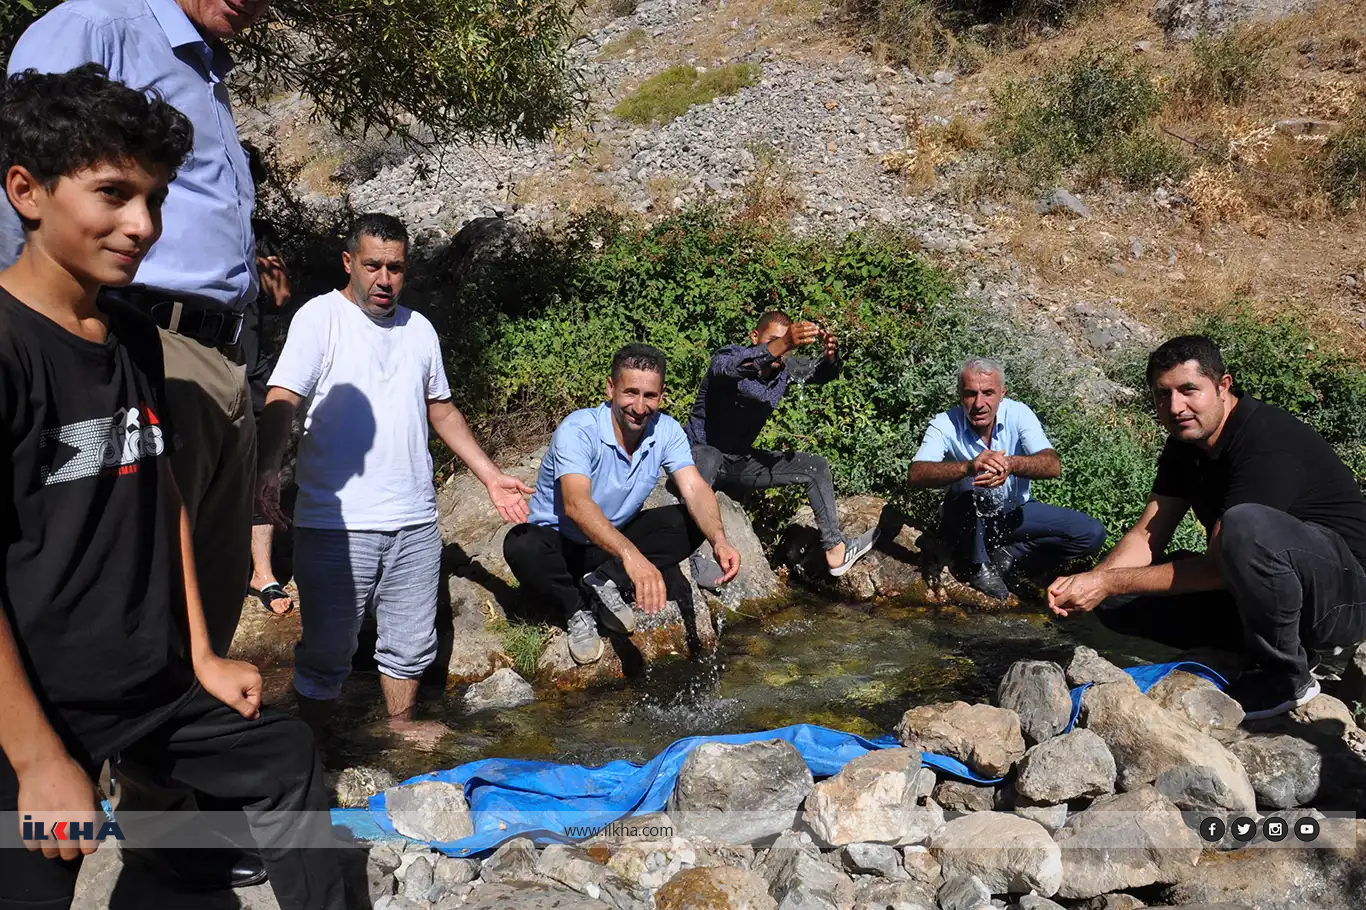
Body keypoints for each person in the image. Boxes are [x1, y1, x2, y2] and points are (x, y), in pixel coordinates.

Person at [0, 65, 343, 910]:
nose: (140, 225)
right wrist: (39, 760)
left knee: (287, 760)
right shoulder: (9, 353)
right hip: (43, 711)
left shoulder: (131, 338)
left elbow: (166, 502)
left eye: (153, 199)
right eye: (113, 193)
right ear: (26, 192)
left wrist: (200, 656)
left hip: (155, 689)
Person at [256, 213, 532, 749]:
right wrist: (268, 467)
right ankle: (310, 750)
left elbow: (442, 410)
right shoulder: (321, 318)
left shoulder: (419, 329)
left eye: (396, 268)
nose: (384, 279)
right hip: (337, 525)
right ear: (349, 263)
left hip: (414, 523)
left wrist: (492, 476)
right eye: (373, 266)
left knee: (408, 644)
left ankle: (399, 731)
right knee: (328, 649)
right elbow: (284, 395)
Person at [1048, 336, 1366, 719]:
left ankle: (1287, 674)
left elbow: (1219, 567)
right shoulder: (1185, 444)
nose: (1175, 407)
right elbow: (1149, 530)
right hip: (1267, 588)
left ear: (1222, 386)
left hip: (1343, 597)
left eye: (1188, 390)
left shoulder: (1266, 440)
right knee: (1119, 597)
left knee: (1243, 525)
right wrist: (1092, 582)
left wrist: (1108, 581)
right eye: (1163, 395)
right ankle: (1246, 651)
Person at [504, 343, 743, 665]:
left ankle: (603, 579)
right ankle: (576, 608)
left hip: (610, 542)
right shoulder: (579, 430)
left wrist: (720, 540)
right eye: (630, 393)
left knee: (690, 522)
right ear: (610, 388)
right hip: (561, 544)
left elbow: (695, 489)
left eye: (650, 395)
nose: (640, 406)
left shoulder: (667, 431)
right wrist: (631, 555)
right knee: (521, 544)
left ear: (662, 395)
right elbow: (576, 504)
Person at [684, 310, 877, 585]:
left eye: (786, 343)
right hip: (698, 456)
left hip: (738, 463)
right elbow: (723, 369)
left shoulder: (783, 370)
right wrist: (783, 344)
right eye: (774, 340)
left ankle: (835, 550)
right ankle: (692, 557)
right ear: (755, 337)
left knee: (816, 467)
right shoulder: (731, 356)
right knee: (711, 458)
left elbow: (818, 374)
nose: (780, 350)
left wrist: (831, 357)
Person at [909, 357, 1105, 598]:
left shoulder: (1019, 413)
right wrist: (968, 467)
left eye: (988, 393)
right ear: (960, 395)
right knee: (966, 489)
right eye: (970, 394)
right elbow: (916, 473)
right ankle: (976, 565)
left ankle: (1011, 554)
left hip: (1013, 515)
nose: (979, 403)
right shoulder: (944, 423)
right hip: (964, 522)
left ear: (1002, 394)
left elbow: (1052, 465)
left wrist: (1011, 464)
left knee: (1091, 533)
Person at [244, 220, 295, 616]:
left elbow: (281, 295)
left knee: (263, 465)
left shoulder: (254, 232)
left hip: (251, 366)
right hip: (199, 360)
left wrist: (260, 262)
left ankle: (262, 571)